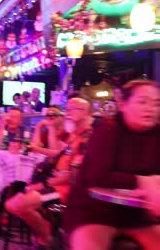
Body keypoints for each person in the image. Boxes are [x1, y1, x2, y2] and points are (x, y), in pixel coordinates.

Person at [65, 80, 160, 250]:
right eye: (142, 102)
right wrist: (144, 181)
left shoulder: (157, 134)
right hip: (94, 212)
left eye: (156, 104)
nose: (151, 109)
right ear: (123, 104)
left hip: (137, 215)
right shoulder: (108, 129)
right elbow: (98, 176)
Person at [5, 97, 93, 248]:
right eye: (68, 109)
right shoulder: (72, 135)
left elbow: (73, 177)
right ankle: (48, 234)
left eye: (74, 109)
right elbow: (57, 155)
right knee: (12, 204)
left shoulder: (87, 138)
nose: (69, 113)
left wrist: (44, 184)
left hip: (67, 193)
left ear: (87, 114)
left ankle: (48, 239)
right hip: (55, 185)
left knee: (21, 204)